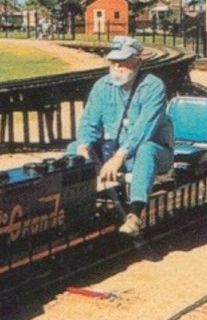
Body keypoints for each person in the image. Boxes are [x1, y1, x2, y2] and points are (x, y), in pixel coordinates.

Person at [69, 36, 175, 238]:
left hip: (147, 153)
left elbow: (144, 130)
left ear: (137, 61)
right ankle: (78, 208)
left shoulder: (153, 87)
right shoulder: (102, 86)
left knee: (147, 149)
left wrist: (119, 157)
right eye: (113, 62)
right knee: (74, 149)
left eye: (123, 62)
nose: (117, 67)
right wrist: (84, 146)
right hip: (111, 151)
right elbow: (90, 121)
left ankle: (135, 214)